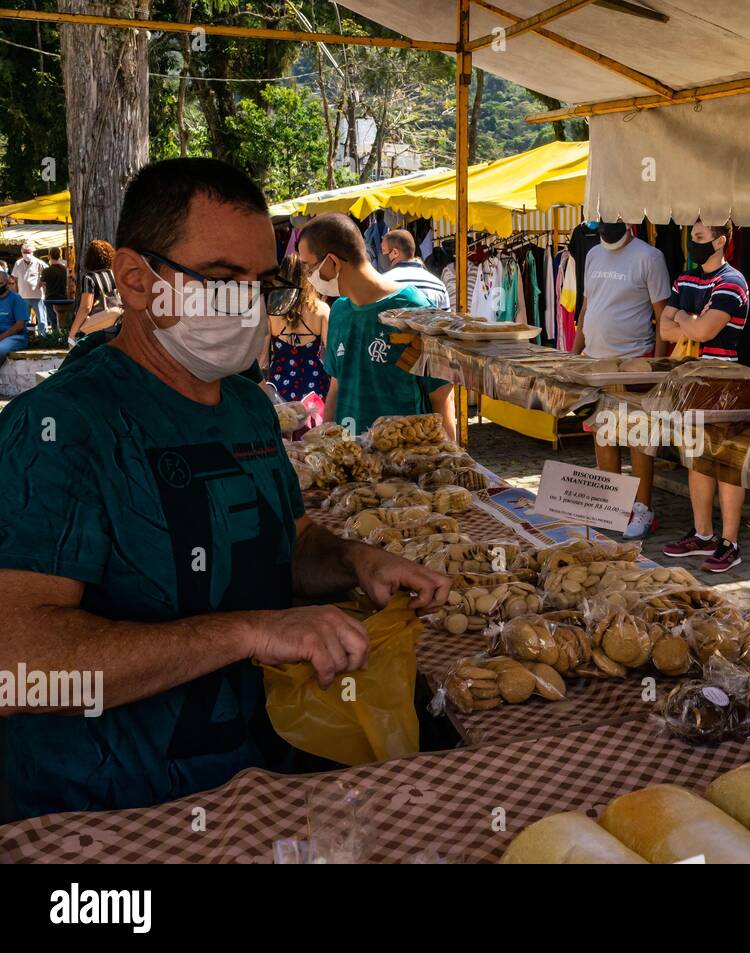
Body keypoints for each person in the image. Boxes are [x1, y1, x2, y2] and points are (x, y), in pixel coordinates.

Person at [0, 157, 450, 821]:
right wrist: (250, 632)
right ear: (134, 278)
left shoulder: (244, 406)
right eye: (219, 278)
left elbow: (279, 537)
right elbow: (19, 663)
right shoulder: (59, 428)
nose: (245, 303)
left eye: (259, 283)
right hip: (111, 820)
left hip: (263, 792)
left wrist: (355, 560)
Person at [658, 221, 750, 572]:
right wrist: (688, 319)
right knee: (696, 458)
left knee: (724, 462)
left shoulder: (733, 281)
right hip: (688, 380)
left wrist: (682, 315)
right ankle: (703, 534)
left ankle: (731, 542)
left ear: (720, 240)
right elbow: (665, 330)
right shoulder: (685, 279)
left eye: (698, 237)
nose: (693, 243)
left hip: (722, 382)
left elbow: (702, 329)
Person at [297, 212, 438, 434]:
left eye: (309, 267)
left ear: (332, 262)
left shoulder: (414, 307)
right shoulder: (339, 312)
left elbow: (439, 394)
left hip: (403, 457)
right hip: (349, 456)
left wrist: (452, 460)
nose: (308, 276)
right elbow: (337, 383)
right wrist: (324, 440)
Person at [575, 219, 671, 540]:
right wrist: (573, 357)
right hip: (595, 361)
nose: (606, 224)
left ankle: (643, 509)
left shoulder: (650, 257)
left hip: (636, 362)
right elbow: (587, 307)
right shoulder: (591, 254)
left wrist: (656, 365)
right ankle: (612, 505)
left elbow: (663, 316)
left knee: (638, 436)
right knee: (603, 433)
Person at [379, 227, 456, 440]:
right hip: (434, 361)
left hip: (395, 361)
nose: (382, 257)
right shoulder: (438, 283)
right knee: (442, 412)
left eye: (384, 252)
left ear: (395, 253)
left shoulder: (384, 282)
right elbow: (446, 326)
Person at [262, 253, 331, 402]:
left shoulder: (272, 311)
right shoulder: (322, 310)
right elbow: (332, 356)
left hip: (280, 385)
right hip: (315, 385)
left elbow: (262, 359)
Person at [68, 239, 118, 341]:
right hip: (118, 321)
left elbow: (85, 308)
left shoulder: (89, 278)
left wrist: (72, 333)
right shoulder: (116, 275)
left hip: (99, 327)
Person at [11, 242, 47, 333]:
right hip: (22, 297)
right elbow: (14, 279)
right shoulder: (18, 263)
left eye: (28, 252)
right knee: (23, 320)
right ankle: (24, 337)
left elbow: (48, 275)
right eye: (25, 252)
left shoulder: (40, 263)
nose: (26, 254)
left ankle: (43, 338)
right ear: (21, 252)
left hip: (38, 296)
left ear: (33, 252)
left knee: (42, 319)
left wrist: (42, 281)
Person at [0, 266, 28, 366]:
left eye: (1, 283)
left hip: (15, 337)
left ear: (7, 282)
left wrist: (1, 337)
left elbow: (19, 325)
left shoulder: (16, 299)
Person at [41, 252, 69, 333]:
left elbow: (42, 283)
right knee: (63, 320)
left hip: (50, 298)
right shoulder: (65, 269)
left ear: (50, 257)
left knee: (53, 320)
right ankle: (64, 336)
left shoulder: (46, 270)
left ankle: (55, 335)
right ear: (60, 256)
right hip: (63, 298)